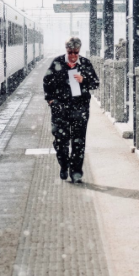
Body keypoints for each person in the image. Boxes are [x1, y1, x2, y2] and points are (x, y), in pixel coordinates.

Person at [43, 37, 99, 183]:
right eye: (70, 52)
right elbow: (46, 82)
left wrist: (84, 79)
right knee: (61, 141)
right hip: (60, 109)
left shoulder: (85, 64)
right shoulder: (57, 62)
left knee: (78, 142)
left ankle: (76, 172)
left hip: (80, 109)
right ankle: (64, 164)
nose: (73, 56)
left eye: (76, 52)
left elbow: (95, 83)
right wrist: (51, 100)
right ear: (66, 50)